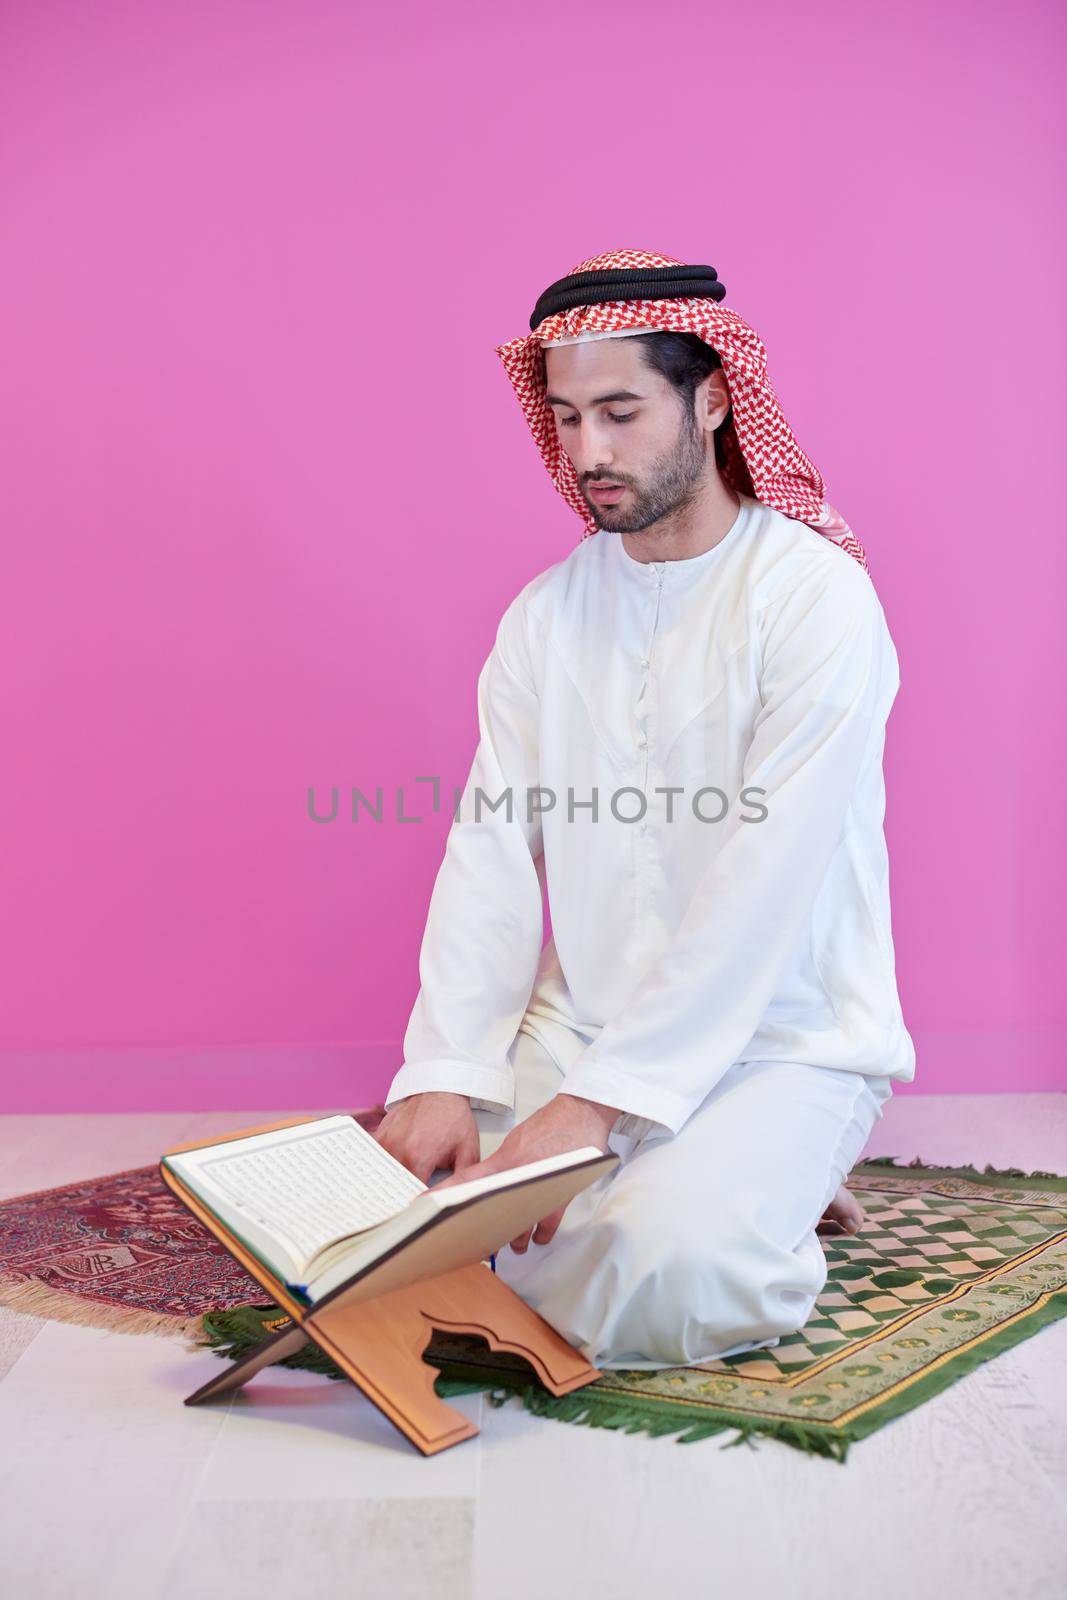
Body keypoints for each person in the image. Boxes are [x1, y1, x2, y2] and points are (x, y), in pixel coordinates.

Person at [372, 248, 915, 1370]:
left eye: (619, 411)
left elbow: (762, 886)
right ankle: (731, 1181)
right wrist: (444, 1071)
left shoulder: (815, 602)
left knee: (668, 1275)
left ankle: (748, 1179)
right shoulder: (545, 616)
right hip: (584, 1023)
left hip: (783, 1037)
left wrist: (594, 1110)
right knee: (397, 1215)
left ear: (713, 397)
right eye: (566, 418)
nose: (589, 453)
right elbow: (488, 847)